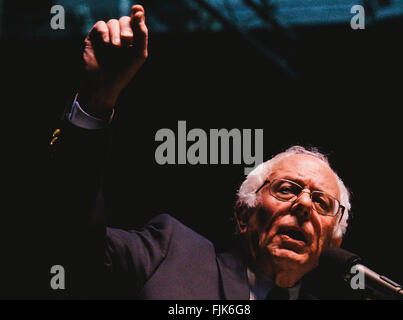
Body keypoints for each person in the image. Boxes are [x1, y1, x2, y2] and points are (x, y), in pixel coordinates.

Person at [49, 5, 351, 299]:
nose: (303, 205)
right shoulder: (172, 255)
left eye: (323, 202)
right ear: (243, 214)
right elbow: (73, 240)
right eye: (287, 189)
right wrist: (96, 101)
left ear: (333, 242)